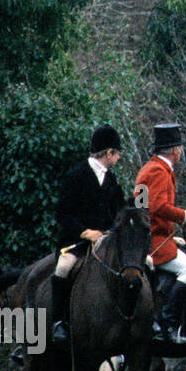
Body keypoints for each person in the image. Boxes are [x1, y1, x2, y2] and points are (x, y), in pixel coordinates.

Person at [50, 125, 126, 346]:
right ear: (109, 153)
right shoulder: (75, 176)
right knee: (63, 268)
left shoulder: (112, 181)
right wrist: (85, 232)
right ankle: (60, 322)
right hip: (76, 241)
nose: (119, 157)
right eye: (118, 153)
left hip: (106, 239)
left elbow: (119, 212)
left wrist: (115, 229)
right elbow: (62, 213)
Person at [137, 123, 186, 347]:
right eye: (180, 148)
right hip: (154, 242)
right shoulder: (159, 171)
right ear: (175, 150)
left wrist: (170, 234)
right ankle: (168, 323)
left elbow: (144, 209)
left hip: (153, 235)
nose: (181, 152)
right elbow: (156, 207)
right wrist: (183, 216)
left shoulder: (148, 168)